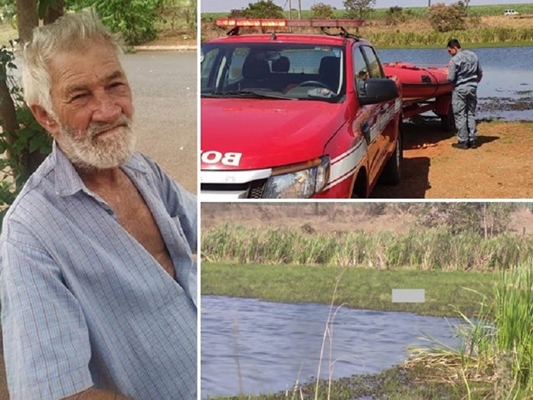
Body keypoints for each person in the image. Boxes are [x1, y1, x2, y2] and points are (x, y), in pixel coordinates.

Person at [0, 9, 197, 400]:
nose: (109, 111)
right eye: (80, 96)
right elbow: (58, 393)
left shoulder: (141, 170)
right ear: (46, 116)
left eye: (115, 86)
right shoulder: (29, 233)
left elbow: (207, 222)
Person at [446, 38, 483, 149]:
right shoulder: (473, 55)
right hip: (472, 87)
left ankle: (463, 140)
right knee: (471, 113)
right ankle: (472, 140)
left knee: (459, 114)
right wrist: (473, 83)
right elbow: (480, 73)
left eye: (449, 51)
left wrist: (447, 79)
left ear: (454, 48)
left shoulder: (454, 60)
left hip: (460, 89)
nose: (449, 53)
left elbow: (451, 78)